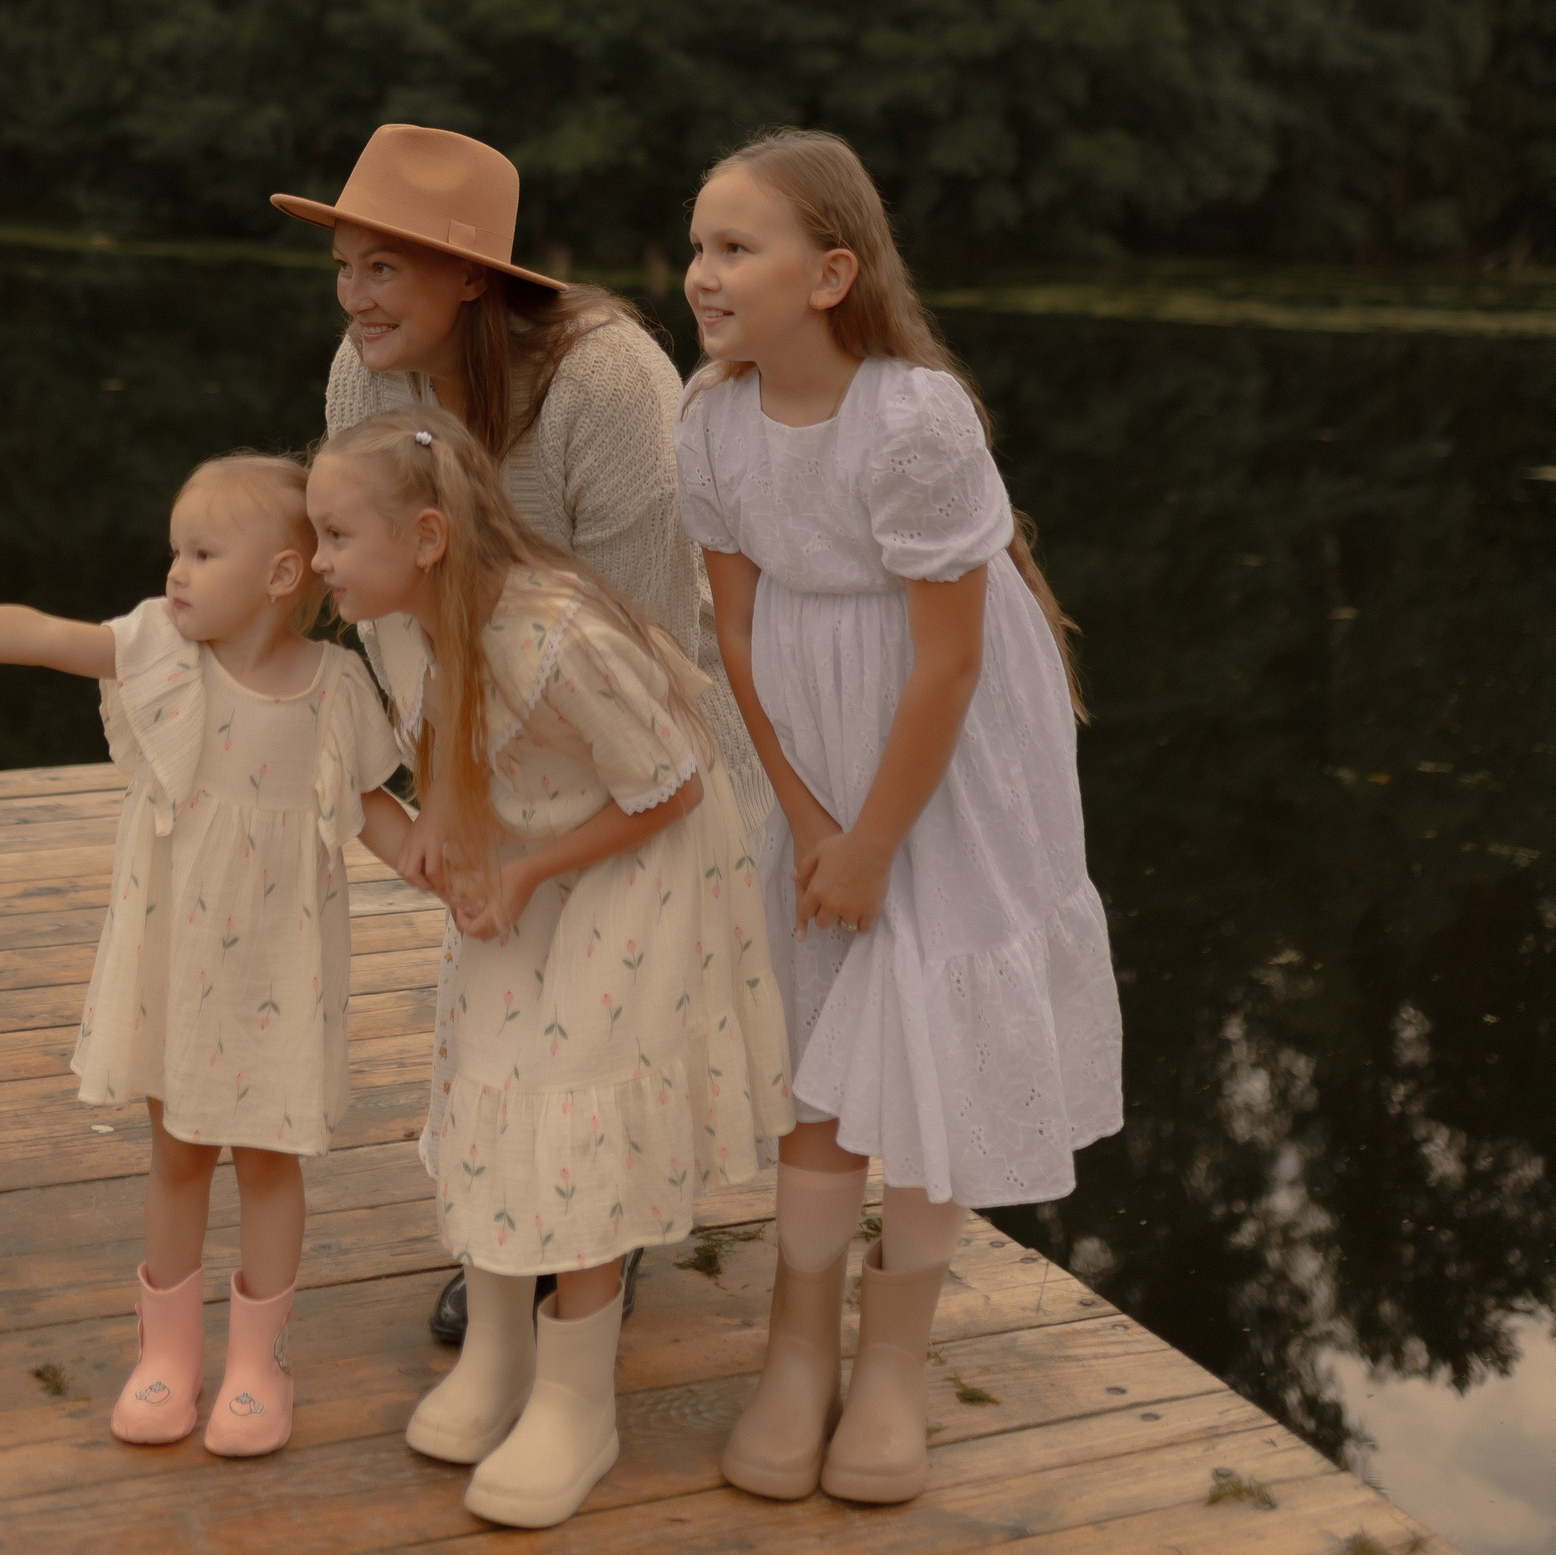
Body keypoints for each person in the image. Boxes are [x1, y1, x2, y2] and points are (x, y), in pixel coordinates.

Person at [673, 131, 1123, 1506]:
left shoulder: (913, 420)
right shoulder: (711, 420)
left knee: (927, 1042)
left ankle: (891, 1365)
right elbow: (734, 634)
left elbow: (948, 661)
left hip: (948, 752)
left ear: (830, 275)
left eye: (734, 248)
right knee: (824, 1050)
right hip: (809, 737)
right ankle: (797, 1350)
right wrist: (811, 820)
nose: (702, 274)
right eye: (696, 248)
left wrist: (875, 840)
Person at [273, 121, 770, 1342]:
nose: (354, 298)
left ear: (469, 277)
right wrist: (445, 793)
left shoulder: (611, 385)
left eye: (383, 268)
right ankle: (511, 1235)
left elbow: (643, 635)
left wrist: (541, 831)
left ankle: (600, 1238)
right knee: (503, 1000)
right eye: (344, 269)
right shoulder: (365, 380)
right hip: (482, 726)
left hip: (634, 717)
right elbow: (388, 607)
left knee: (609, 1004)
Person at [0, 452, 408, 1459]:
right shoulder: (159, 654)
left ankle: (258, 1366)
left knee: (269, 1161)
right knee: (177, 1151)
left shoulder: (334, 689)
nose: (175, 571)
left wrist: (460, 875)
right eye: (175, 549)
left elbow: (374, 808)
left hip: (276, 973)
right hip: (176, 964)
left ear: (281, 574)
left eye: (203, 553)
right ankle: (166, 1357)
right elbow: (39, 634)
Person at [305, 405, 793, 1531]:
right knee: (487, 1080)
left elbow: (670, 785)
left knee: (578, 1113)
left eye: (335, 536)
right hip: (531, 853)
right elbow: (450, 741)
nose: (318, 559)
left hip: (633, 863)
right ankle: (499, 1353)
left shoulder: (556, 635)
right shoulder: (403, 622)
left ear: (427, 537)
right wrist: (449, 835)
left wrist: (527, 873)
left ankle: (579, 1405)